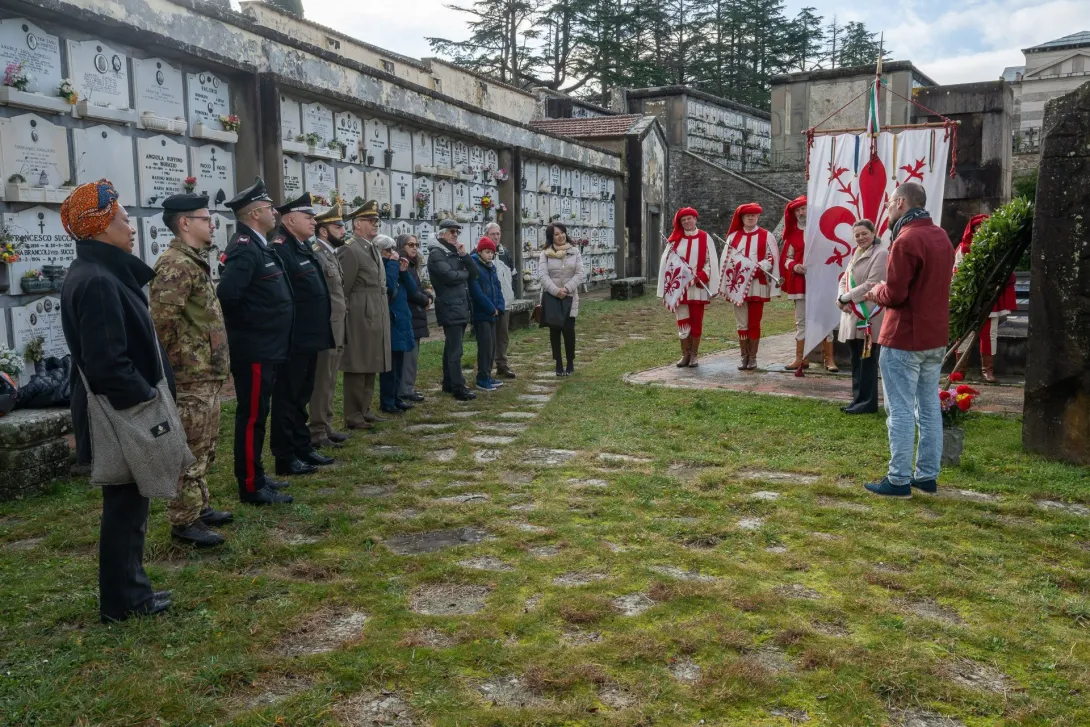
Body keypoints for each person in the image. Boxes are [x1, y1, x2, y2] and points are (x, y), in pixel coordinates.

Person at [59, 179, 172, 622]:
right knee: (124, 508)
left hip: (124, 410)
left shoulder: (100, 272)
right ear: (101, 225)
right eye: (124, 219)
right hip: (122, 415)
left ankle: (132, 592)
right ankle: (125, 604)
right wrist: (146, 400)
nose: (131, 227)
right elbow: (109, 363)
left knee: (129, 505)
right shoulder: (98, 280)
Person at [149, 193, 232, 548]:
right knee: (190, 445)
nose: (211, 223)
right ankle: (183, 520)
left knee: (205, 444)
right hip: (189, 372)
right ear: (185, 223)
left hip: (205, 369)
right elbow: (162, 322)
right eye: (204, 218)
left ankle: (199, 506)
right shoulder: (175, 264)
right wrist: (177, 366)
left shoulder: (191, 260)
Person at [863, 182, 955, 497]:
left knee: (900, 409)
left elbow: (896, 294)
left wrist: (874, 290)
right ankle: (927, 475)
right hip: (935, 335)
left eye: (889, 204)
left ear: (901, 203)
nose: (887, 210)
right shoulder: (941, 236)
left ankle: (899, 479)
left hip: (904, 335)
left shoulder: (905, 240)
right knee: (928, 406)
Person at [217, 178, 293, 505]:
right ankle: (250, 485)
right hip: (255, 348)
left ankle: (258, 475)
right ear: (255, 212)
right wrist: (253, 329)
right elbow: (228, 295)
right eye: (270, 208)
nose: (275, 212)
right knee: (251, 418)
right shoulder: (245, 248)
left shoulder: (260, 244)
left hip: (268, 346)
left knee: (259, 415)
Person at [269, 192, 335, 476]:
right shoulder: (281, 248)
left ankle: (302, 446)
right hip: (294, 339)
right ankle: (286, 456)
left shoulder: (302, 246)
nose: (313, 222)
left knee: (303, 394)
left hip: (310, 336)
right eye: (308, 217)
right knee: (288, 397)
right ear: (290, 219)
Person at [339, 200, 392, 428]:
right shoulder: (350, 249)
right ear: (357, 224)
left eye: (376, 221)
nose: (375, 224)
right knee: (358, 364)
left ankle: (365, 408)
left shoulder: (371, 247)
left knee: (372, 361)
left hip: (376, 310)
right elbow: (344, 288)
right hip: (359, 314)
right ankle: (353, 415)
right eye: (370, 221)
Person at [952, 214, 1016, 383]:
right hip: (968, 299)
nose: (980, 230)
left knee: (989, 334)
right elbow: (956, 273)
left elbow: (1005, 273)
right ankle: (960, 369)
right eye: (977, 228)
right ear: (972, 230)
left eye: (983, 227)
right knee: (963, 334)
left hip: (988, 299)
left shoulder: (996, 248)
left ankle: (987, 370)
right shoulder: (963, 249)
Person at [836, 220, 888, 414]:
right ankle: (857, 399)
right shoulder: (856, 253)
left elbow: (872, 283)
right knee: (856, 360)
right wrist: (840, 297)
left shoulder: (881, 253)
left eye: (864, 233)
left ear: (874, 232)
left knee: (867, 360)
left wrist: (845, 298)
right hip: (852, 313)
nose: (860, 238)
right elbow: (844, 279)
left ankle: (868, 402)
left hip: (869, 314)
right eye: (857, 235)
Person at [657, 207, 719, 368]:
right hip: (680, 288)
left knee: (696, 321)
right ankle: (684, 354)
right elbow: (668, 263)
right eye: (683, 220)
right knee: (682, 320)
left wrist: (702, 276)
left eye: (689, 219)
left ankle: (694, 355)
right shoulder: (675, 240)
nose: (687, 222)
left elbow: (710, 262)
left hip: (697, 287)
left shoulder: (705, 238)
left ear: (695, 219)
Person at [309, 204, 350, 449]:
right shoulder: (317, 254)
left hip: (337, 325)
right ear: (323, 232)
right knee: (322, 379)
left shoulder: (330, 254)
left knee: (331, 378)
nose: (343, 230)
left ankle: (326, 425)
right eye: (338, 226)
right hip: (326, 327)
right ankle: (316, 430)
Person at [779, 196, 836, 371]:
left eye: (804, 208)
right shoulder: (792, 235)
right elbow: (786, 259)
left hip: (820, 282)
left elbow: (832, 254)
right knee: (801, 321)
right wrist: (794, 266)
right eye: (798, 210)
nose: (801, 212)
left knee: (824, 319)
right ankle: (801, 358)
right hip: (799, 283)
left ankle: (829, 359)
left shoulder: (822, 231)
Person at [427, 219, 479, 401]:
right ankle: (459, 387)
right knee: (456, 350)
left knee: (451, 346)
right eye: (452, 231)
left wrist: (465, 255)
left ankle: (448, 383)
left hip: (460, 305)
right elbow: (448, 276)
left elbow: (474, 273)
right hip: (450, 306)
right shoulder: (436, 254)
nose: (455, 235)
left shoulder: (454, 252)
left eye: (457, 232)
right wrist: (463, 274)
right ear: (442, 234)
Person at [724, 202, 778, 371]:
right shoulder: (733, 237)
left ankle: (753, 358)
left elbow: (771, 258)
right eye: (747, 216)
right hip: (737, 284)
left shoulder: (766, 235)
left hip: (757, 283)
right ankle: (744, 357)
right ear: (742, 218)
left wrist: (757, 268)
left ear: (758, 217)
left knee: (754, 322)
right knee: (741, 323)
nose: (750, 218)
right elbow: (727, 260)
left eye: (753, 215)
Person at [376, 235, 420, 413]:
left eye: (393, 249)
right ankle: (387, 400)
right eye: (388, 250)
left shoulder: (395, 267)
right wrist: (394, 265)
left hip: (402, 318)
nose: (392, 253)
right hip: (391, 318)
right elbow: (389, 288)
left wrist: (403, 270)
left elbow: (412, 289)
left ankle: (396, 397)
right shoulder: (383, 267)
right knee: (389, 365)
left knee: (399, 361)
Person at [537, 223, 585, 376]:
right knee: (555, 332)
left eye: (562, 232)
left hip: (569, 297)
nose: (561, 236)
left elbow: (580, 273)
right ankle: (558, 363)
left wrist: (567, 288)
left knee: (569, 331)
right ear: (551, 237)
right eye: (556, 234)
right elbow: (543, 276)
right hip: (552, 297)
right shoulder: (545, 254)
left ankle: (570, 362)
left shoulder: (574, 251)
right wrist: (556, 291)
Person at [396, 234, 432, 402]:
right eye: (410, 244)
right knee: (409, 356)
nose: (414, 247)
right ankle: (405, 389)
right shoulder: (402, 265)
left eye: (416, 244)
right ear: (402, 246)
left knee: (413, 355)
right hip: (410, 314)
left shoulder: (410, 265)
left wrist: (428, 296)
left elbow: (417, 287)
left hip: (415, 314)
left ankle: (408, 387)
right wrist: (425, 299)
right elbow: (411, 291)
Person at [469, 236, 505, 391]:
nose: (490, 255)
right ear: (480, 251)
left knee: (492, 346)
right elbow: (476, 292)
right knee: (485, 347)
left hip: (493, 313)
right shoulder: (475, 266)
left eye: (492, 252)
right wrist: (491, 308)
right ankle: (482, 378)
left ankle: (488, 375)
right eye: (487, 252)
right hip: (482, 313)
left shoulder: (491, 267)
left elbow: (497, 288)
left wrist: (500, 306)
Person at [484, 223, 517, 379]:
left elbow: (513, 274)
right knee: (489, 337)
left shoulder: (505, 253)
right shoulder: (479, 252)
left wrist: (512, 293)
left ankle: (502, 364)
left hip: (504, 301)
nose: (496, 237)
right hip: (489, 304)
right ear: (486, 235)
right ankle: (486, 367)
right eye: (493, 234)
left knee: (503, 335)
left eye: (498, 233)